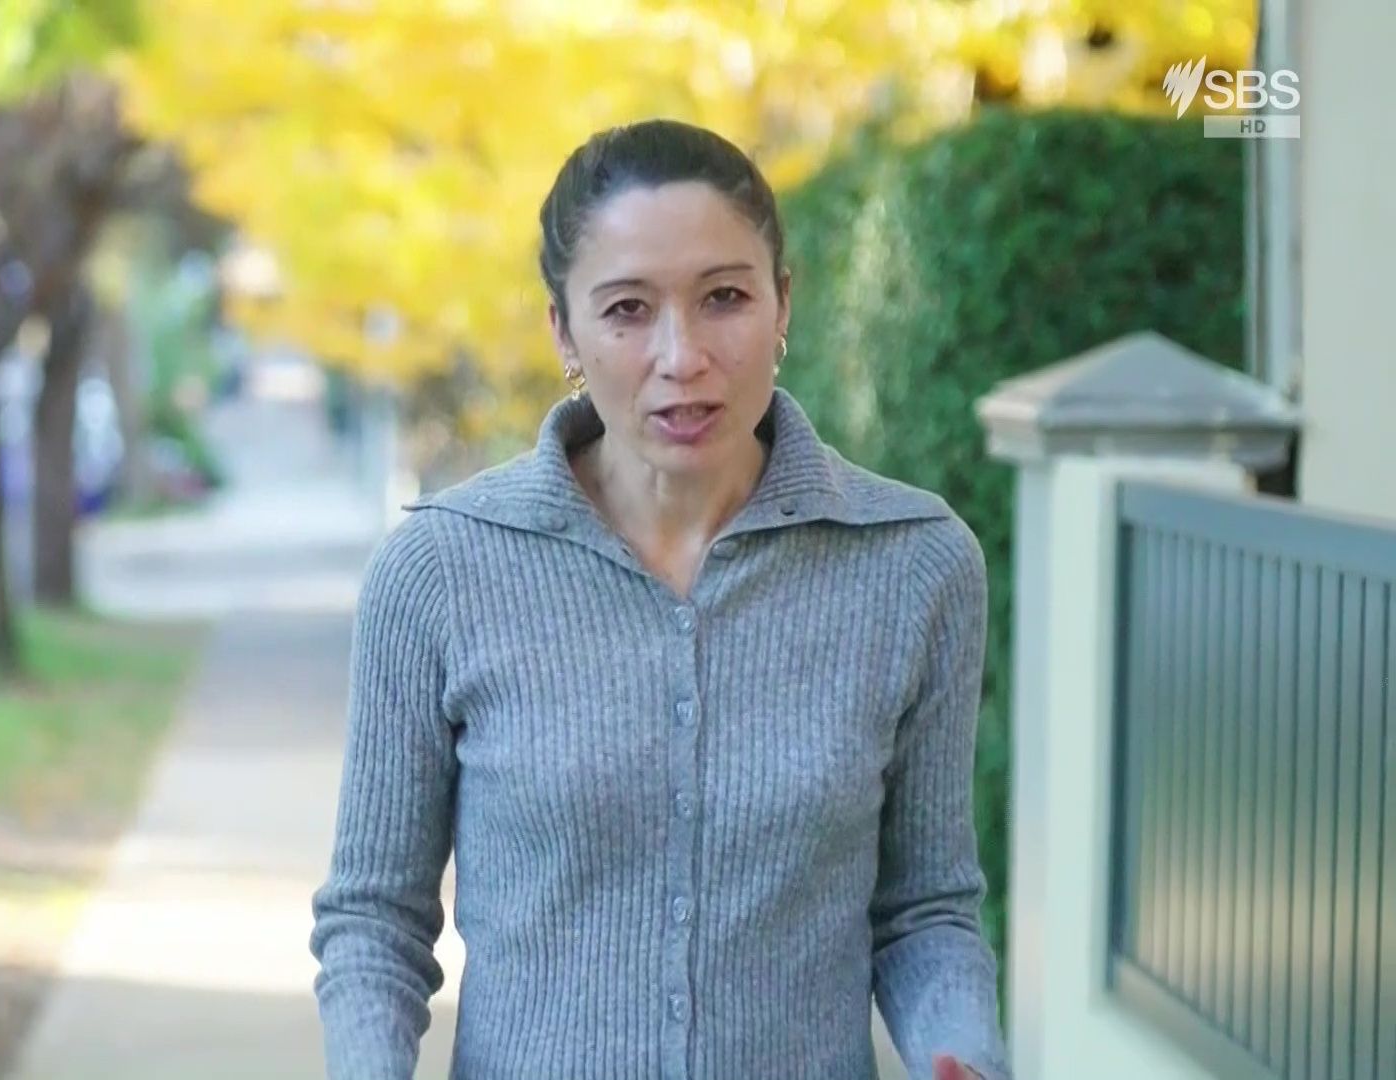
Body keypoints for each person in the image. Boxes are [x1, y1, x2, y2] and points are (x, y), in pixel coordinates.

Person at [309, 118, 1009, 1080]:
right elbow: (375, 921)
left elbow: (923, 910)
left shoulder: (913, 565)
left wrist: (963, 1052)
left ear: (783, 304)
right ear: (564, 331)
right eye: (628, 310)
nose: (682, 356)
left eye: (724, 298)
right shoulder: (439, 570)